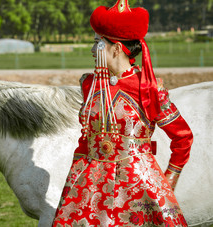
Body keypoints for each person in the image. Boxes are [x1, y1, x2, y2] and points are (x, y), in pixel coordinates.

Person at [52, 0, 193, 226]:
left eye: (98, 43)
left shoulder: (148, 88)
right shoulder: (89, 85)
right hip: (90, 186)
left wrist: (168, 181)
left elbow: (183, 137)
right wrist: (75, 178)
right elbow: (86, 139)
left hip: (140, 187)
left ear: (116, 48)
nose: (92, 49)